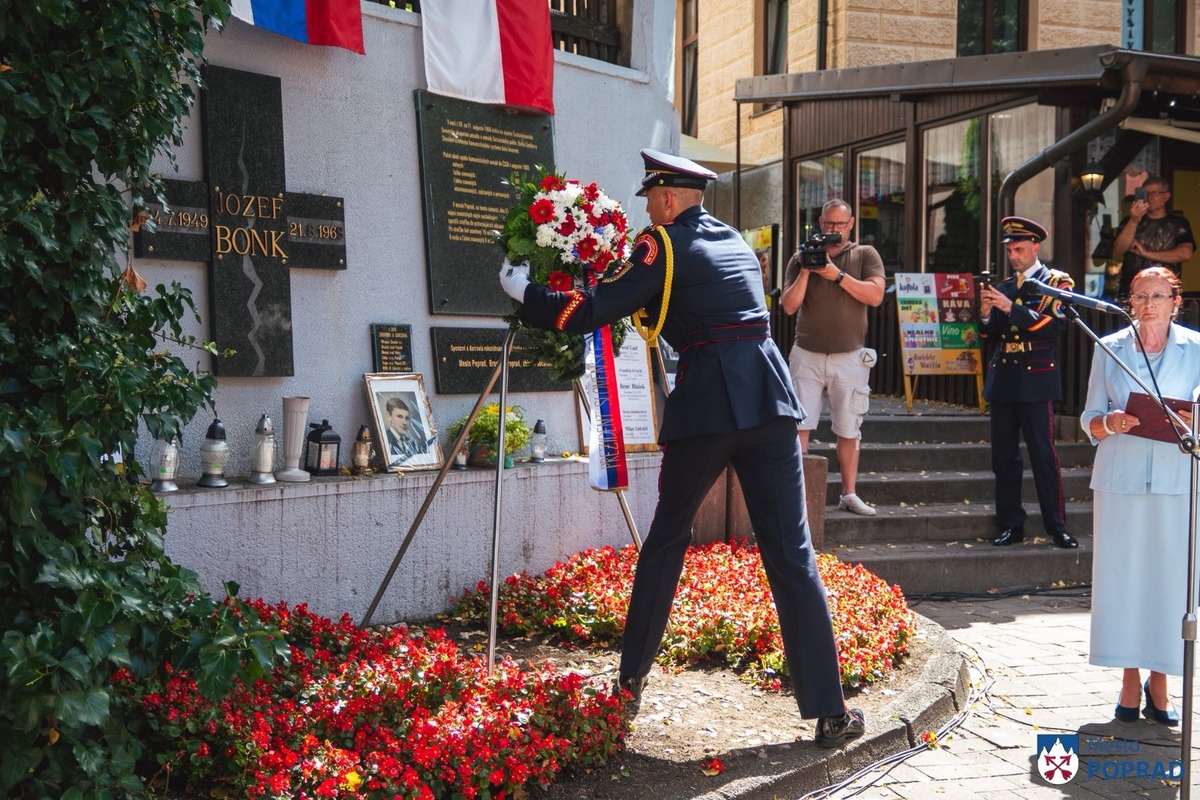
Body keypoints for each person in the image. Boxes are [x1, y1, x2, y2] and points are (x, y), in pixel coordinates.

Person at [498, 148, 865, 748]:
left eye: (649, 198)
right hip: (769, 404)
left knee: (668, 538)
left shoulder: (659, 246)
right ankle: (830, 710)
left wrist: (529, 295)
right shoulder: (737, 243)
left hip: (709, 406)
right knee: (792, 554)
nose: (646, 207)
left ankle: (630, 680)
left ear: (667, 199)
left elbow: (594, 309)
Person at [1081, 267, 1200, 725]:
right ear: (1129, 300)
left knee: (1170, 584)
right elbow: (1089, 415)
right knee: (1124, 582)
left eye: (1158, 295)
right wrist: (1107, 423)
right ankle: (1130, 682)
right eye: (1140, 295)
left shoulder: (1196, 348)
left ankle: (1162, 682)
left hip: (1177, 480)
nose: (1149, 304)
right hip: (1122, 478)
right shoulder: (1109, 348)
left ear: (1176, 301)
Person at [779, 199, 885, 516]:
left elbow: (876, 295)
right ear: (820, 223)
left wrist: (836, 274)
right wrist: (808, 272)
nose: (833, 230)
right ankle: (796, 496)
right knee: (800, 425)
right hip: (807, 354)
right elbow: (788, 306)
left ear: (851, 223)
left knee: (849, 428)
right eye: (828, 224)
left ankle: (849, 494)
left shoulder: (865, 254)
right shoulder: (801, 256)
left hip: (850, 356)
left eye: (839, 224)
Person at [978, 216, 1078, 549]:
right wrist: (986, 314)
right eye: (1010, 251)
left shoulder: (1057, 283)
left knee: (1043, 457)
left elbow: (1051, 326)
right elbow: (989, 336)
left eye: (1020, 249)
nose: (1014, 256)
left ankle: (1057, 526)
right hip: (1004, 377)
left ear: (1036, 247)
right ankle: (1010, 524)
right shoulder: (1005, 285)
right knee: (1004, 459)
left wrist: (1010, 308)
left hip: (1036, 378)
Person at [1113, 176, 1195, 298]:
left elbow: (1185, 254)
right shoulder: (1129, 221)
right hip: (1131, 291)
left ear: (1166, 196)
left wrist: (1146, 253)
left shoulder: (1178, 223)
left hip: (1164, 291)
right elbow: (1119, 249)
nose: (1150, 197)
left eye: (1155, 192)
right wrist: (1134, 220)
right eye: (1146, 193)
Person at [383, 396, 424, 467]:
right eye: (399, 416)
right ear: (389, 416)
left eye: (407, 418)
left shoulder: (412, 442)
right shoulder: (385, 441)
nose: (405, 422)